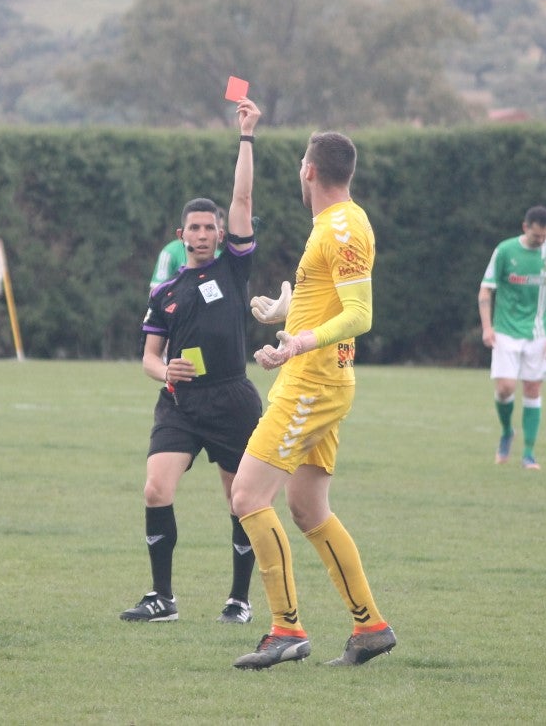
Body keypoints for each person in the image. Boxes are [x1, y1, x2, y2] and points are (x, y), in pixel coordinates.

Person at [228, 130, 395, 670]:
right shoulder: (333, 224)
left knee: (249, 497)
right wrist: (287, 312)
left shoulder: (343, 226)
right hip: (323, 379)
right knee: (307, 509)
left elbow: (360, 315)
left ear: (309, 170)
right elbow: (332, 301)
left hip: (313, 382)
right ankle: (369, 626)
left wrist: (299, 341)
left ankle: (285, 629)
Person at [120, 99, 262, 625]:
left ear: (221, 235)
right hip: (180, 403)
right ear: (180, 236)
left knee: (241, 500)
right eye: (193, 228)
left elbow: (242, 196)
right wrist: (166, 372)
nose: (201, 234)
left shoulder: (234, 270)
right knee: (156, 487)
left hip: (232, 398)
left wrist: (245, 136)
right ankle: (162, 599)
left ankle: (240, 600)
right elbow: (149, 358)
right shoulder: (167, 292)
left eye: (209, 227)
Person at [478, 205, 546, 470]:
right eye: (537, 236)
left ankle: (528, 453)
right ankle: (507, 431)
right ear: (525, 227)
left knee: (532, 388)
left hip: (538, 334)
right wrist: (487, 327)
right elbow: (485, 291)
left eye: (545, 236)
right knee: (505, 387)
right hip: (505, 331)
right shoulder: (505, 251)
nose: (542, 241)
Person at [149, 207, 225, 293]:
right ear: (182, 234)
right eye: (195, 228)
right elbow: (156, 291)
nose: (204, 235)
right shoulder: (170, 252)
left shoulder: (221, 258)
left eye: (211, 228)